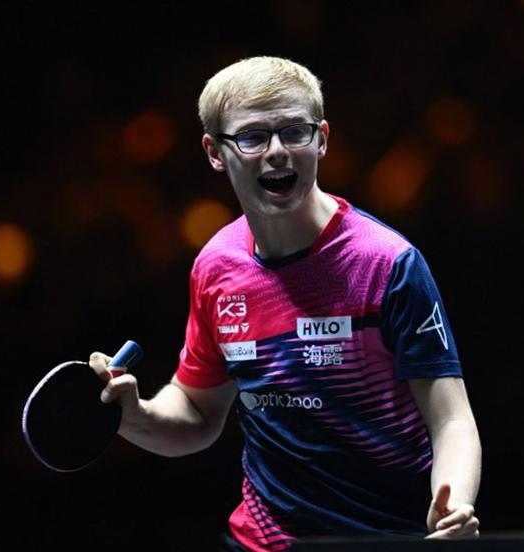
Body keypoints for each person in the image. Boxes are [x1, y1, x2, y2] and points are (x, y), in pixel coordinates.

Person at [90, 56, 481, 552]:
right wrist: (132, 414)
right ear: (214, 151)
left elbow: (450, 419)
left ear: (321, 138)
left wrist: (455, 502)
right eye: (253, 137)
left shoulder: (387, 263)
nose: (277, 152)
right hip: (264, 541)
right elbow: (198, 412)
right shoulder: (217, 267)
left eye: (294, 132)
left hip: (387, 536)